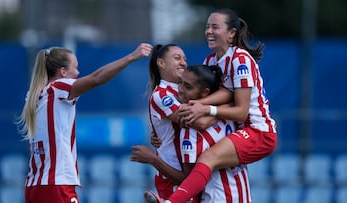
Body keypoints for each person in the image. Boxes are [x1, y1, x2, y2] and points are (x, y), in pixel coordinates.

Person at [144, 8, 277, 203]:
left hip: (259, 131)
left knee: (208, 158)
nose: (209, 31)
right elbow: (224, 93)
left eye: (215, 27)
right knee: (206, 161)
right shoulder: (210, 61)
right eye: (207, 27)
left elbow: (240, 111)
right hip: (236, 130)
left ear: (231, 33)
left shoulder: (240, 59)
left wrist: (204, 108)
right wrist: (195, 108)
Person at [15, 43, 152, 203]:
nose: (78, 73)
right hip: (56, 184)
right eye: (75, 67)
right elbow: (96, 79)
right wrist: (131, 58)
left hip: (34, 186)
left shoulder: (34, 94)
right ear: (63, 72)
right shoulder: (58, 87)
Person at [130, 44, 216, 202]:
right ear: (161, 63)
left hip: (190, 165)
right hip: (173, 173)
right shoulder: (162, 95)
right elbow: (200, 123)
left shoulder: (185, 90)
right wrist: (230, 110)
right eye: (177, 58)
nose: (183, 62)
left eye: (185, 59)